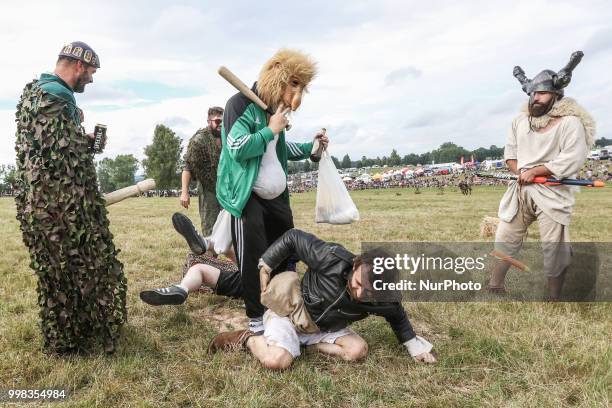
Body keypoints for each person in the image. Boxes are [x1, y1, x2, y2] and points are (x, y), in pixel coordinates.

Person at [140, 227, 436, 370]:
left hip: (324, 327)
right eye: (358, 284)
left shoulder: (382, 297)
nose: (359, 293)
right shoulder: (332, 258)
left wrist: (414, 346)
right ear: (356, 265)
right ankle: (247, 338)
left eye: (367, 293)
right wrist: (266, 264)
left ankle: (302, 346)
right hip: (290, 310)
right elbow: (294, 237)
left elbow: (398, 315)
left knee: (357, 350)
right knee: (277, 361)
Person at [14, 41, 126, 354]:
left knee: (56, 273)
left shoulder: (34, 92)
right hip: (60, 208)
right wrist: (79, 140)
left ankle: (71, 336)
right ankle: (66, 344)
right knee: (74, 270)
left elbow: (47, 147)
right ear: (78, 65)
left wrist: (82, 138)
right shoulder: (57, 94)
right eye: (89, 72)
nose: (90, 79)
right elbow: (57, 155)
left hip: (41, 204)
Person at [216, 49, 329, 333]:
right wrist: (269, 129)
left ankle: (283, 303)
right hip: (248, 196)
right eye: (293, 84)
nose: (296, 96)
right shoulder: (239, 104)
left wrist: (311, 149)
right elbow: (237, 150)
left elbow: (277, 148)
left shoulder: (273, 111)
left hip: (277, 197)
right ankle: (255, 318)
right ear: (277, 76)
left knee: (285, 251)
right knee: (254, 257)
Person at [489, 51, 594, 299]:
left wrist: (537, 170)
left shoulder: (571, 123)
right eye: (533, 93)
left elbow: (572, 158)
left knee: (554, 248)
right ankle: (494, 286)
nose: (535, 98)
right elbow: (510, 155)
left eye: (542, 93)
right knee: (505, 238)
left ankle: (553, 298)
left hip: (552, 190)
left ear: (556, 95)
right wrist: (521, 172)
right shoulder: (519, 122)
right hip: (520, 189)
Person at [180, 106, 224, 237]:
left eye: (223, 121)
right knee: (211, 230)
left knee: (231, 229)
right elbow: (188, 167)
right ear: (209, 121)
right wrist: (184, 192)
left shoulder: (229, 136)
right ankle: (210, 256)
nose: (220, 124)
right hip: (208, 189)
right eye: (217, 121)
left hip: (227, 189)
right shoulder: (199, 140)